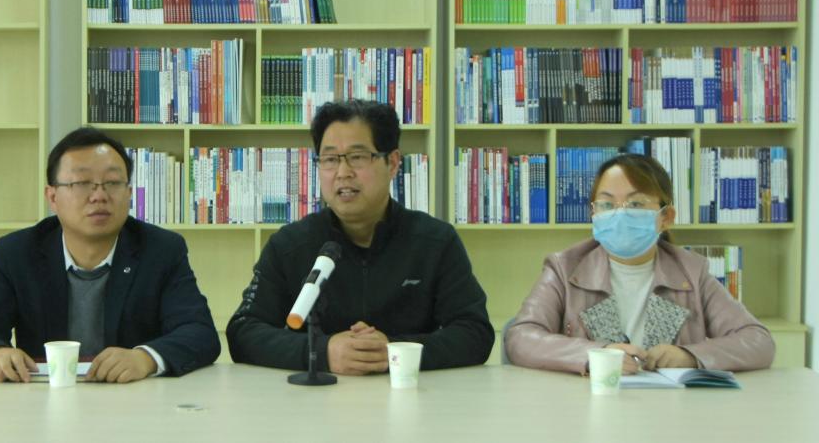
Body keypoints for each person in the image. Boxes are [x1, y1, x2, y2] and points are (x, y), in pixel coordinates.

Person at [227, 99, 494, 374]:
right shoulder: (290, 245)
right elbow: (243, 331)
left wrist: (395, 351)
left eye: (357, 157)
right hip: (315, 396)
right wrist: (322, 352)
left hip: (410, 393)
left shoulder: (435, 242)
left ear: (392, 163)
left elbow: (475, 332)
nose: (343, 173)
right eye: (330, 159)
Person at [0, 127, 220, 383]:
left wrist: (145, 359)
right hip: (43, 397)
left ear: (129, 193)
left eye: (112, 183)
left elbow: (199, 332)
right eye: (82, 183)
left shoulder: (161, 250)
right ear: (52, 197)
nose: (99, 196)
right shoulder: (19, 252)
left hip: (135, 398)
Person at [506, 153, 774, 374]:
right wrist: (596, 355)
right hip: (589, 405)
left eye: (635, 203)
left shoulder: (692, 273)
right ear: (593, 213)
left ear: (666, 217)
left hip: (673, 410)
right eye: (607, 204)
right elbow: (520, 338)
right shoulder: (565, 269)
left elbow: (758, 340)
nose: (620, 214)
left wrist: (691, 356)